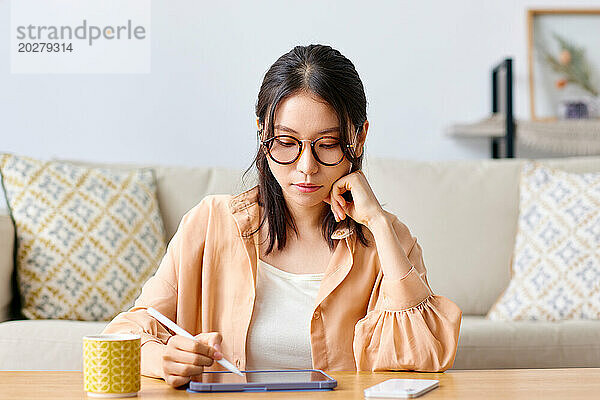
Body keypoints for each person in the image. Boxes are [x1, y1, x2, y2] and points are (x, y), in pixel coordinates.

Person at [102, 44, 462, 388]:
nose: (306, 168)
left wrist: (379, 223)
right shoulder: (210, 222)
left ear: (360, 137)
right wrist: (163, 359)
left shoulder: (389, 239)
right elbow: (125, 333)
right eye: (287, 143)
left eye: (328, 145)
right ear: (263, 132)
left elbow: (425, 357)